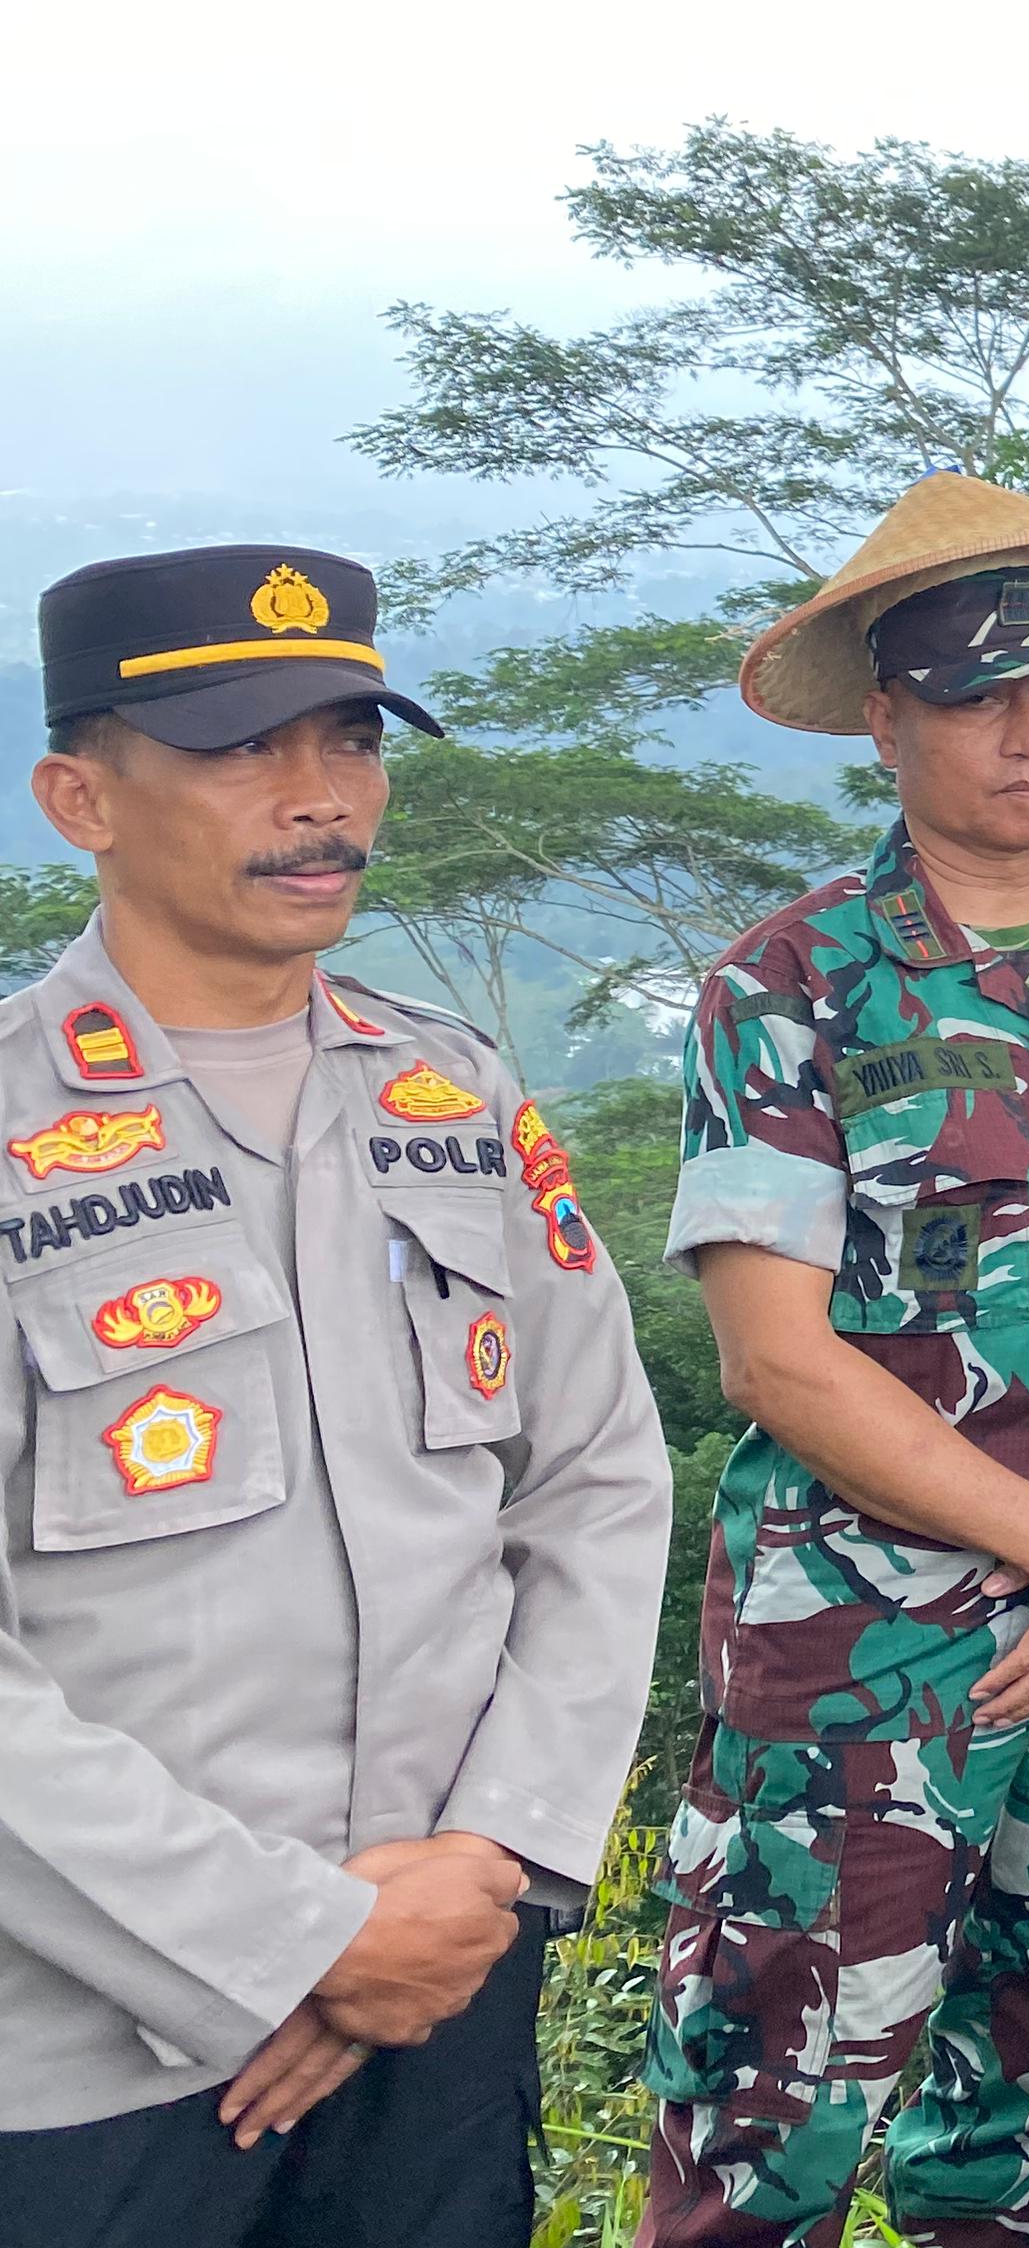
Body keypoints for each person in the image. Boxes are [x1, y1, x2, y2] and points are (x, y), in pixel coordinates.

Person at [638, 477, 1029, 2248]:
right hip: (867, 1654)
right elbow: (777, 1359)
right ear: (886, 715)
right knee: (770, 2117)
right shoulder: (789, 988)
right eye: (976, 693)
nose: (1028, 731)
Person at [0, 546, 672, 2246]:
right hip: (86, 2052)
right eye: (243, 749)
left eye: (352, 739)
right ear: (79, 793)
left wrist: (487, 1867)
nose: (319, 799)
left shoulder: (453, 1092)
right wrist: (286, 1937)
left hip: (443, 1986)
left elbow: (593, 1475)